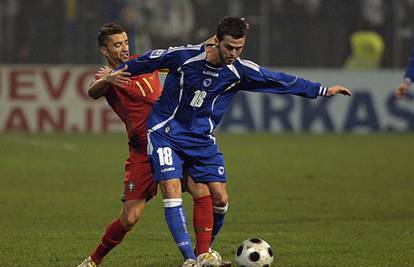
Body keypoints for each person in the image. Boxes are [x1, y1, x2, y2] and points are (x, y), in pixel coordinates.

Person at [113, 16, 352, 267]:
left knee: (220, 198)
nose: (233, 53)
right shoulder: (185, 57)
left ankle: (204, 252)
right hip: (165, 132)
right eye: (228, 47)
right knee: (172, 191)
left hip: (201, 139)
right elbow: (149, 60)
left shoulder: (239, 70)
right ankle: (190, 260)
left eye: (239, 48)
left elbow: (278, 79)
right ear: (216, 41)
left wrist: (322, 90)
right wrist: (114, 74)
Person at [76, 23, 222, 267]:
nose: (124, 48)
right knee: (130, 217)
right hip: (142, 150)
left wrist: (222, 34)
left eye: (125, 42)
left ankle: (202, 255)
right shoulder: (108, 77)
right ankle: (93, 261)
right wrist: (110, 79)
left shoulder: (146, 62)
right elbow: (92, 91)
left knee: (201, 190)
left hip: (171, 141)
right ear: (104, 50)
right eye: (116, 44)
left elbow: (192, 51)